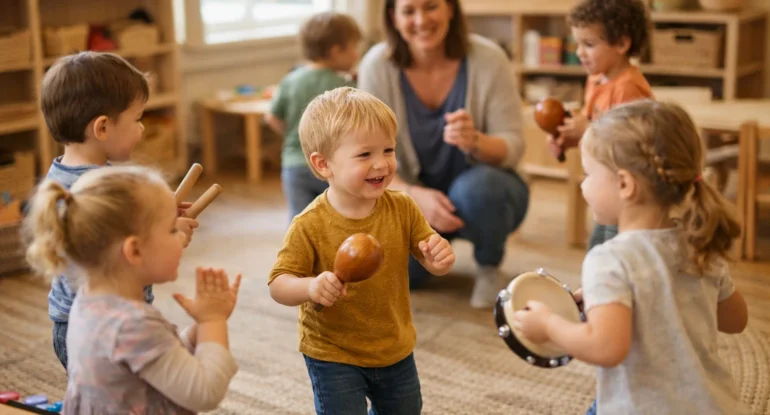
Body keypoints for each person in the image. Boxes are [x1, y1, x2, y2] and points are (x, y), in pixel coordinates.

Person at [514, 100, 750, 415]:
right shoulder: (698, 242)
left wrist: (548, 324)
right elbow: (735, 321)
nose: (583, 185)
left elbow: (606, 347)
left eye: (588, 174)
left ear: (624, 185)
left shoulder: (609, 259)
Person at [268, 87, 455, 415]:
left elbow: (430, 259)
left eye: (388, 149)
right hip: (332, 352)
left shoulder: (403, 207)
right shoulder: (309, 224)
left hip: (394, 347)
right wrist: (311, 286)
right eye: (365, 154)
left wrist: (437, 258)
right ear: (323, 164)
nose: (382, 163)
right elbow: (278, 284)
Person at [23, 166, 241, 413]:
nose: (182, 238)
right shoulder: (132, 324)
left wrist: (198, 331)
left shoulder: (89, 302)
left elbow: (147, 359)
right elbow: (204, 393)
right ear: (134, 250)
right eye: (172, 230)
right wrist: (214, 320)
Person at [358, 0, 529, 308]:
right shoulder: (376, 66)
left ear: (451, 9)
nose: (421, 20)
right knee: (401, 277)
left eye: (431, 6)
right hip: (408, 198)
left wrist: (475, 140)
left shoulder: (489, 58)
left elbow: (513, 146)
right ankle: (431, 244)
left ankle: (489, 264)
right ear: (393, 18)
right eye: (409, 11)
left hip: (481, 191)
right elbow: (367, 160)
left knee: (483, 190)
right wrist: (413, 196)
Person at [38, 51, 199, 369]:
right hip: (105, 328)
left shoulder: (61, 178)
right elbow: (126, 256)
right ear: (101, 128)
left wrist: (159, 217)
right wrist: (171, 236)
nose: (141, 129)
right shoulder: (100, 189)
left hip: (73, 323)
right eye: (137, 119)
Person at [548, 0, 654, 250]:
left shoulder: (628, 88)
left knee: (616, 252)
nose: (579, 52)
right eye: (578, 43)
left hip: (630, 198)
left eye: (589, 44)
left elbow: (631, 146)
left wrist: (586, 130)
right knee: (599, 249)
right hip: (608, 191)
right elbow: (590, 124)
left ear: (622, 43)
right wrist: (566, 135)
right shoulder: (596, 80)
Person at [265, 11, 362, 222]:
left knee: (300, 222)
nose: (357, 55)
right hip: (332, 165)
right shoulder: (346, 86)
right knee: (339, 219)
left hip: (294, 164)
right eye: (353, 48)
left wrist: (297, 135)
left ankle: (300, 254)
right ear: (336, 51)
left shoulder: (291, 79)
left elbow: (272, 117)